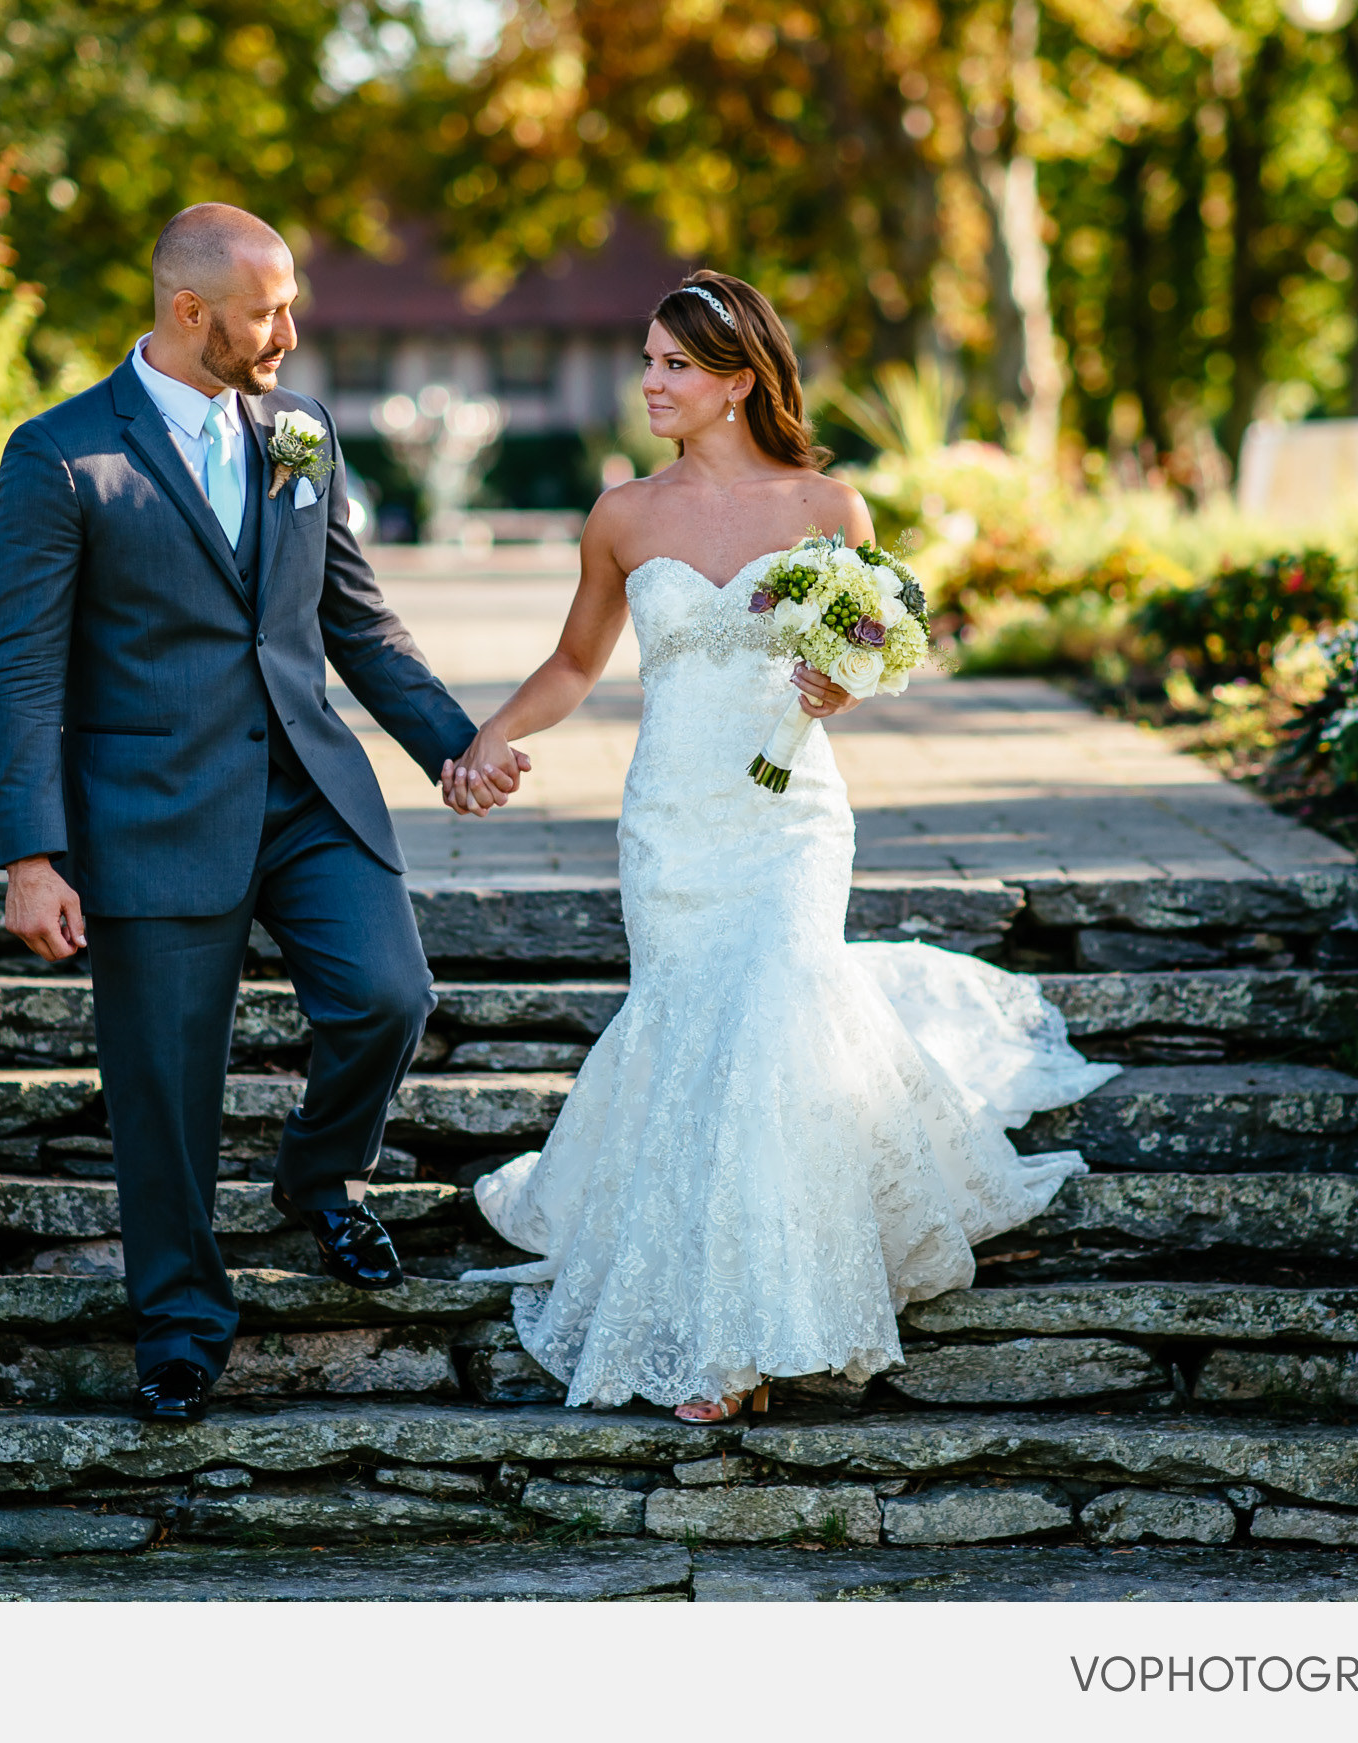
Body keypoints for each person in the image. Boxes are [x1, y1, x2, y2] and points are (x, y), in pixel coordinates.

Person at [447, 271, 1118, 1422]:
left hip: (790, 815)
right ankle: (722, 1316)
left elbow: (868, 650)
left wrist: (840, 682)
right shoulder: (624, 514)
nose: (650, 381)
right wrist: (484, 741)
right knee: (696, 1034)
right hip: (671, 823)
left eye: (675, 365)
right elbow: (572, 667)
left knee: (771, 1027)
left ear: (740, 382)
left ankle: (745, 1343)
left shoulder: (829, 510)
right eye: (648, 358)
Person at [0, 203, 525, 1425]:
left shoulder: (300, 432)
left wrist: (454, 745)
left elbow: (356, 619)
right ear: (189, 313)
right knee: (166, 1087)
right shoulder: (62, 457)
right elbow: (19, 670)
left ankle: (322, 1178)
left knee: (390, 995)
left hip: (309, 790)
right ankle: (179, 1324)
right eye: (268, 309)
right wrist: (31, 852)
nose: (291, 329)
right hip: (150, 814)